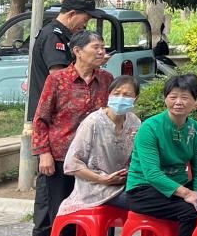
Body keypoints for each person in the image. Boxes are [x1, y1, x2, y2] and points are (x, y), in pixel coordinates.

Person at [124, 73, 197, 236]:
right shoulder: (150, 127)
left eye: (185, 97)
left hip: (178, 186)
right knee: (189, 211)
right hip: (143, 189)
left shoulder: (196, 130)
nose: (178, 102)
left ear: (195, 101)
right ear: (165, 99)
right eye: (173, 97)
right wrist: (187, 194)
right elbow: (152, 173)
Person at [31, 30, 112, 236]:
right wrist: (43, 153)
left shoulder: (106, 79)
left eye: (103, 47)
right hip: (61, 155)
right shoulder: (57, 79)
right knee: (64, 209)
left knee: (97, 209)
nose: (101, 51)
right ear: (77, 51)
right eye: (96, 47)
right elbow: (41, 119)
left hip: (96, 157)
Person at [58, 75, 141, 216]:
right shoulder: (93, 122)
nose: (121, 98)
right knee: (144, 203)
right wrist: (102, 179)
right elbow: (72, 163)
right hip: (95, 189)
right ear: (109, 95)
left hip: (124, 185)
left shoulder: (135, 123)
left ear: (135, 98)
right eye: (116, 93)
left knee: (157, 197)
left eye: (127, 95)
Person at [27, 0, 95, 122]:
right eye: (85, 19)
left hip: (61, 109)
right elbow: (59, 76)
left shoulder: (64, 34)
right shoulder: (53, 36)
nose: (85, 25)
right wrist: (89, 63)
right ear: (72, 14)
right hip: (52, 113)